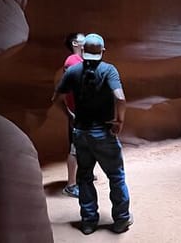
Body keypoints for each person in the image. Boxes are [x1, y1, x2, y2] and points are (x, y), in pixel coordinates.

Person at [52, 33, 133, 235]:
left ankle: (88, 222)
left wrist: (70, 114)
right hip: (103, 133)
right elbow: (120, 98)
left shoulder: (73, 70)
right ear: (102, 51)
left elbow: (56, 96)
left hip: (81, 133)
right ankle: (121, 220)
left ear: (84, 50)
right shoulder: (109, 70)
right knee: (116, 176)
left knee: (85, 177)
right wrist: (119, 121)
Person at [60, 32, 85, 197]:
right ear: (76, 43)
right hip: (77, 112)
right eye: (84, 38)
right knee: (75, 148)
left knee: (84, 145)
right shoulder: (72, 61)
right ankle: (70, 185)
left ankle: (81, 175)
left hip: (83, 111)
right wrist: (70, 112)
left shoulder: (81, 61)